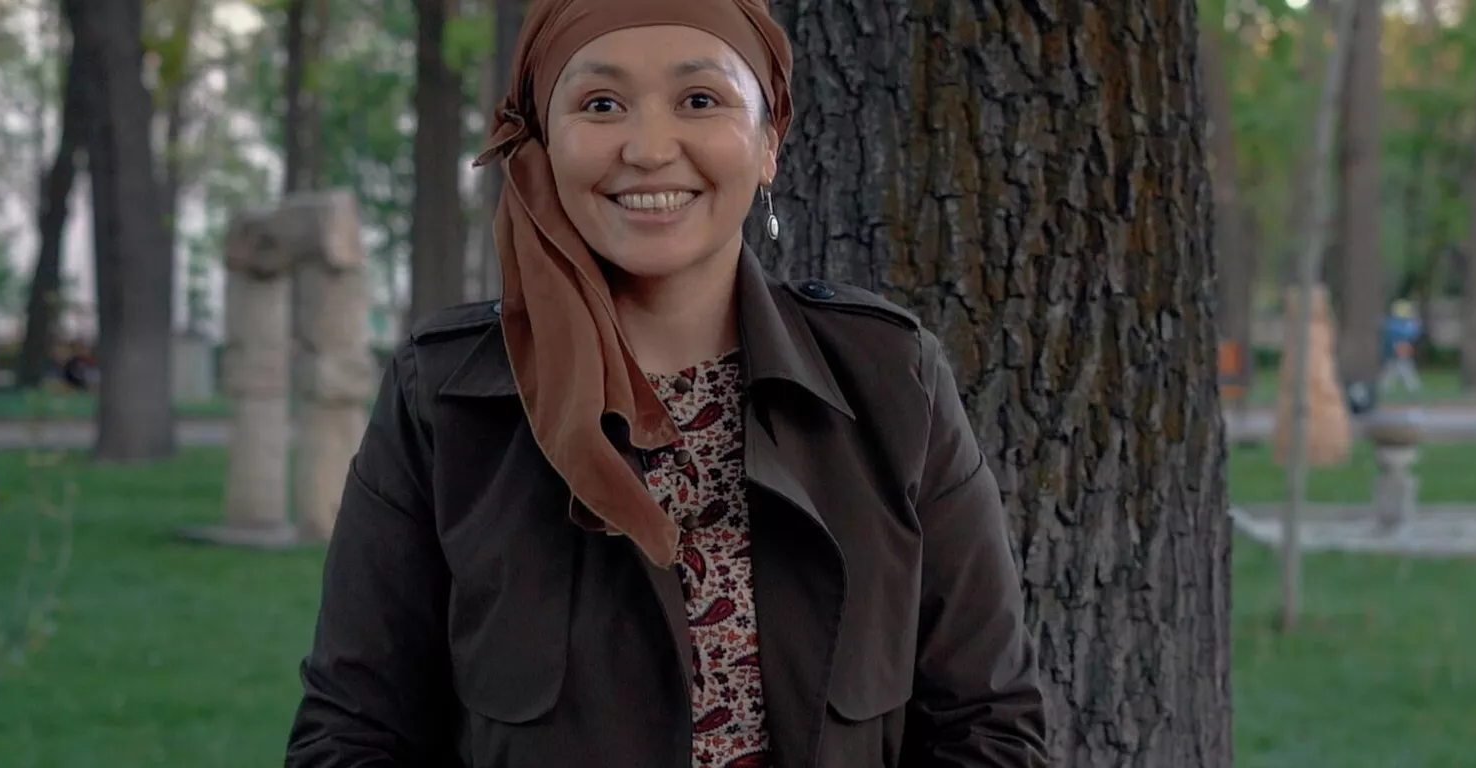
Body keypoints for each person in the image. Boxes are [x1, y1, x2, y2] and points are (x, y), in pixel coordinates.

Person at [283, 1, 1048, 766]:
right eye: (601, 104)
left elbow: (989, 729)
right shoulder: (446, 399)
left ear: (769, 141)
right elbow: (350, 736)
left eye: (700, 99)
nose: (649, 149)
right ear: (543, 143)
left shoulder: (892, 380)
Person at [1379, 299, 1422, 394]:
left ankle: (1412, 388)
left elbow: (1413, 335)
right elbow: (1410, 334)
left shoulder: (1395, 323)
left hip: (1400, 351)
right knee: (1397, 369)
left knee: (1399, 368)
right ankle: (1412, 388)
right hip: (1396, 350)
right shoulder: (1397, 324)